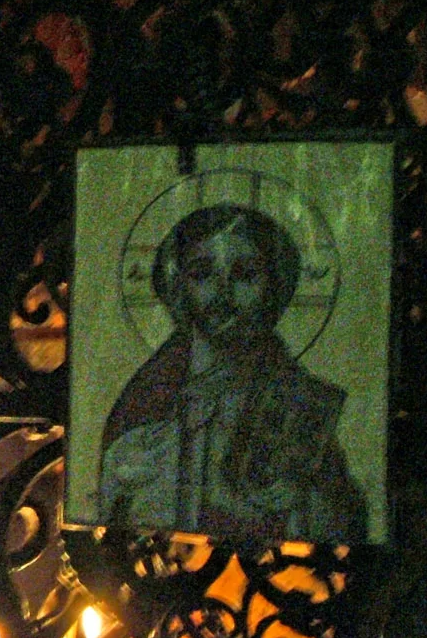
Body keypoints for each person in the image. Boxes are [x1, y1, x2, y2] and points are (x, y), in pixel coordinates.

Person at [98, 202, 367, 544]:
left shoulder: (300, 404)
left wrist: (303, 501)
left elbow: (344, 516)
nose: (222, 293)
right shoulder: (147, 403)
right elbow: (107, 515)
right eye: (202, 274)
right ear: (178, 286)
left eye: (244, 274)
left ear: (273, 288)